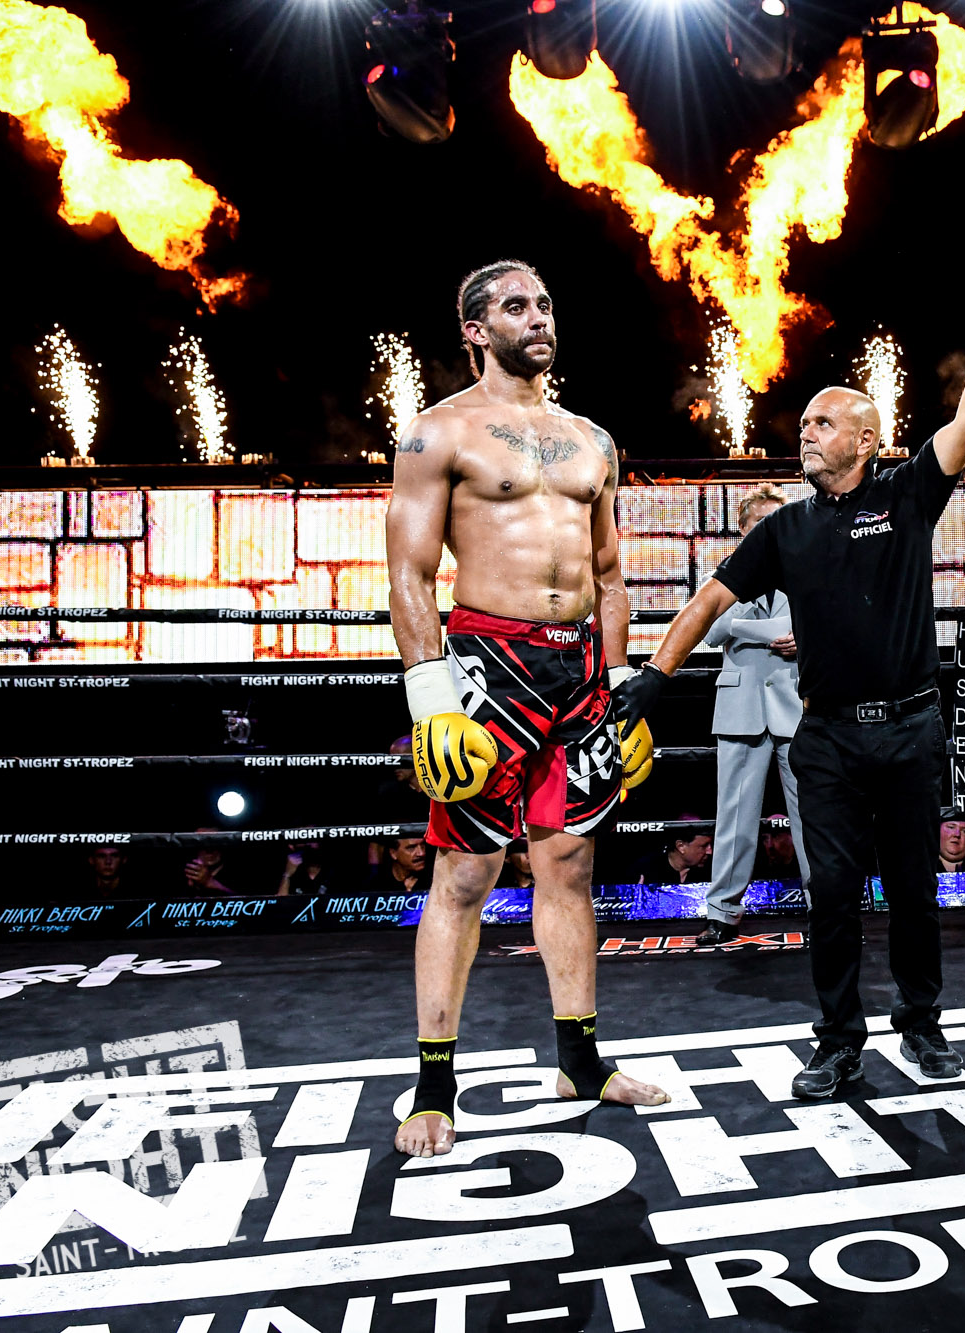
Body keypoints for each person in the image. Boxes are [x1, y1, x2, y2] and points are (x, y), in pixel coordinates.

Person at [613, 334, 965, 1098]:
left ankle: (921, 1022)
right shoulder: (784, 530)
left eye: (823, 423)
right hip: (825, 736)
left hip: (910, 728)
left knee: (914, 889)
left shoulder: (906, 495)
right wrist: (655, 675)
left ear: (867, 438)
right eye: (804, 425)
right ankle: (839, 1041)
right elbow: (708, 601)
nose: (806, 433)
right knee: (831, 896)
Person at [383, 259, 667, 1158]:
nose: (537, 317)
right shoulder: (439, 432)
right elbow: (409, 573)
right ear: (475, 330)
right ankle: (433, 1087)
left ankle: (580, 1061)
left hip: (578, 669)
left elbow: (611, 574)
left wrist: (619, 688)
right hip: (486, 665)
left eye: (544, 303)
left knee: (570, 867)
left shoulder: (593, 439)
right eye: (515, 306)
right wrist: (431, 699)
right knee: (465, 875)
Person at [700, 485, 812, 945]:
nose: (769, 532)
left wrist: (804, 638)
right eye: (760, 525)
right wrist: (751, 624)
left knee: (812, 816)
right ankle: (722, 912)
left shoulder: (806, 571)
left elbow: (834, 626)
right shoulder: (724, 576)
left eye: (776, 523)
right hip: (741, 708)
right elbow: (709, 631)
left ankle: (826, 908)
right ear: (743, 531)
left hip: (798, 708)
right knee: (734, 817)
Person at [628, 822, 714, 886]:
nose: (710, 851)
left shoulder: (712, 871)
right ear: (681, 846)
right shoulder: (645, 870)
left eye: (710, 845)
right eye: (704, 846)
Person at [368, 835, 434, 893]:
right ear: (393, 853)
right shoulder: (378, 884)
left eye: (422, 846)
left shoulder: (433, 878)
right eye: (411, 848)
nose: (422, 853)